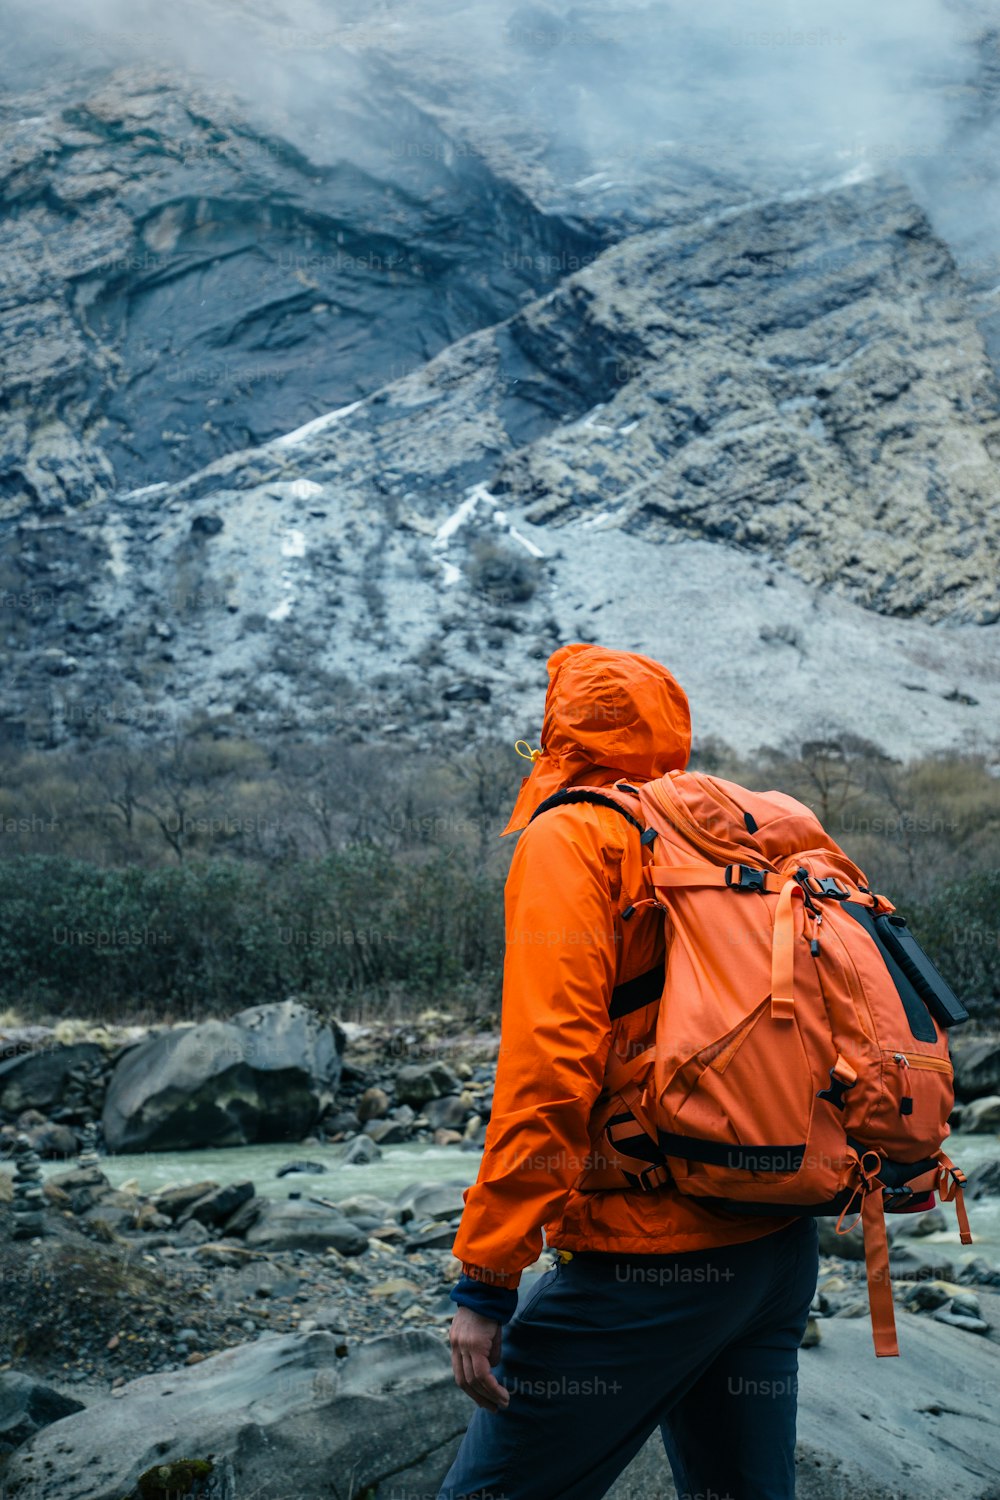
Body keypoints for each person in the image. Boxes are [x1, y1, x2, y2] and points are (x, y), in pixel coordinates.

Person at [437, 643, 820, 1500]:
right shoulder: (729, 829)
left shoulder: (573, 835)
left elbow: (550, 1071)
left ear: (557, 735)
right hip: (776, 1240)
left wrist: (489, 1279)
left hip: (653, 1252)